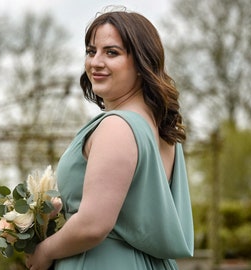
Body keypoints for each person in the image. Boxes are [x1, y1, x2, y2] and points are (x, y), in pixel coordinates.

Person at [26, 8, 194, 270]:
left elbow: (94, 225)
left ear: (141, 62)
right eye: (91, 51)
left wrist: (44, 251)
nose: (96, 62)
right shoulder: (161, 129)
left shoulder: (117, 127)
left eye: (112, 52)